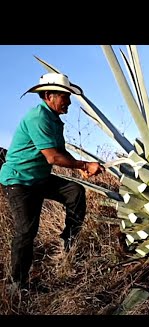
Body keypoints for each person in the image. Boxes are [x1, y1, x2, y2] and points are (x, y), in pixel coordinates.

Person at [0, 73, 105, 294]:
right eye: (64, 96)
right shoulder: (38, 118)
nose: (68, 102)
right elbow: (53, 157)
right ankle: (16, 285)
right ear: (49, 96)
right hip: (19, 180)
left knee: (74, 191)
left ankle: (69, 243)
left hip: (39, 178)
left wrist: (82, 167)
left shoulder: (55, 120)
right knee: (26, 231)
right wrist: (84, 165)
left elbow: (61, 151)